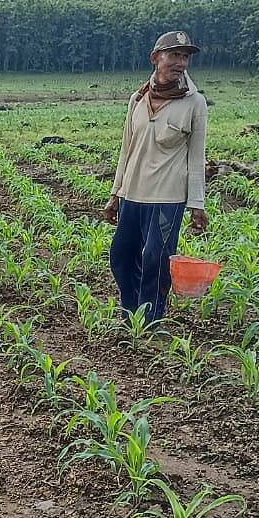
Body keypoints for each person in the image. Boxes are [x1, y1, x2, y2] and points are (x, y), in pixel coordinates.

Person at [103, 30, 209, 324]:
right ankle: (131, 313)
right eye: (174, 55)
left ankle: (151, 320)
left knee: (156, 260)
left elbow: (197, 157)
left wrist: (196, 204)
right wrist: (115, 193)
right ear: (155, 58)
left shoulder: (194, 103)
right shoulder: (137, 99)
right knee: (121, 256)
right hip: (132, 195)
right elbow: (127, 149)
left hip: (168, 198)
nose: (181, 63)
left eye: (185, 57)